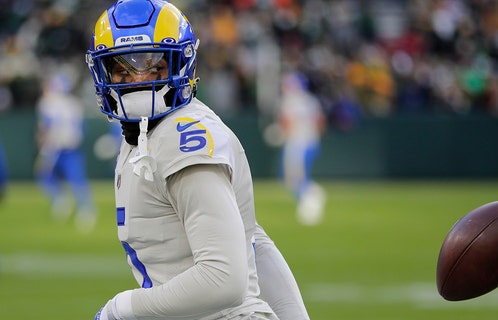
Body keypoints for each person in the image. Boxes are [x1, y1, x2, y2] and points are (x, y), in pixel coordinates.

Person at [86, 1, 309, 319]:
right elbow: (252, 242)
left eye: (153, 66)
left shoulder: (182, 136)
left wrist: (120, 309)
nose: (137, 81)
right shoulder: (141, 133)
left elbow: (223, 279)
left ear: (182, 63)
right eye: (121, 69)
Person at [34, 71, 97, 233]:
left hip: (55, 147)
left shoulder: (47, 103)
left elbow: (45, 129)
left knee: (45, 175)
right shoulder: (74, 104)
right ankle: (83, 210)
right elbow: (82, 128)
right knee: (76, 180)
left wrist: (44, 146)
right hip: (71, 146)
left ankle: (63, 202)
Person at [278, 72, 326, 226]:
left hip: (297, 143)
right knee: (294, 177)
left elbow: (287, 123)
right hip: (310, 142)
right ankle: (310, 196)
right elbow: (320, 121)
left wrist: (280, 134)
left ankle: (312, 197)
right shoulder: (310, 100)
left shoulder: (290, 101)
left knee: (293, 178)